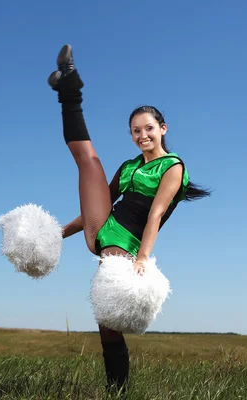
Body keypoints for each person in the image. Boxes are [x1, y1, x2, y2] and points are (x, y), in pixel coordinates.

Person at [47, 44, 210, 393]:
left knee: (108, 324)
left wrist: (142, 258)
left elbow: (156, 213)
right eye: (135, 131)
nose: (142, 136)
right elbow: (98, 207)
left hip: (124, 247)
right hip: (103, 231)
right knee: (87, 160)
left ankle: (117, 391)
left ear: (163, 128)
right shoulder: (130, 166)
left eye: (148, 128)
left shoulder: (173, 166)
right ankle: (68, 87)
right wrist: (58, 234)